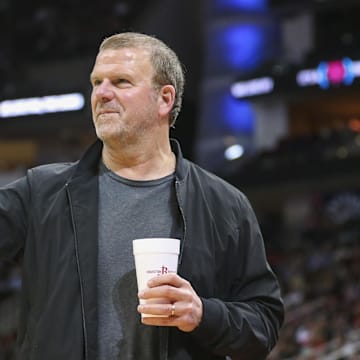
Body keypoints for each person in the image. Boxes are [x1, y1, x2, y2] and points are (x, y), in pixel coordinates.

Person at [0, 32, 284, 360]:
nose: (102, 94)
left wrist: (203, 314)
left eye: (121, 82)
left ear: (164, 99)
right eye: (96, 82)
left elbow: (263, 326)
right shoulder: (42, 192)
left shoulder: (224, 204)